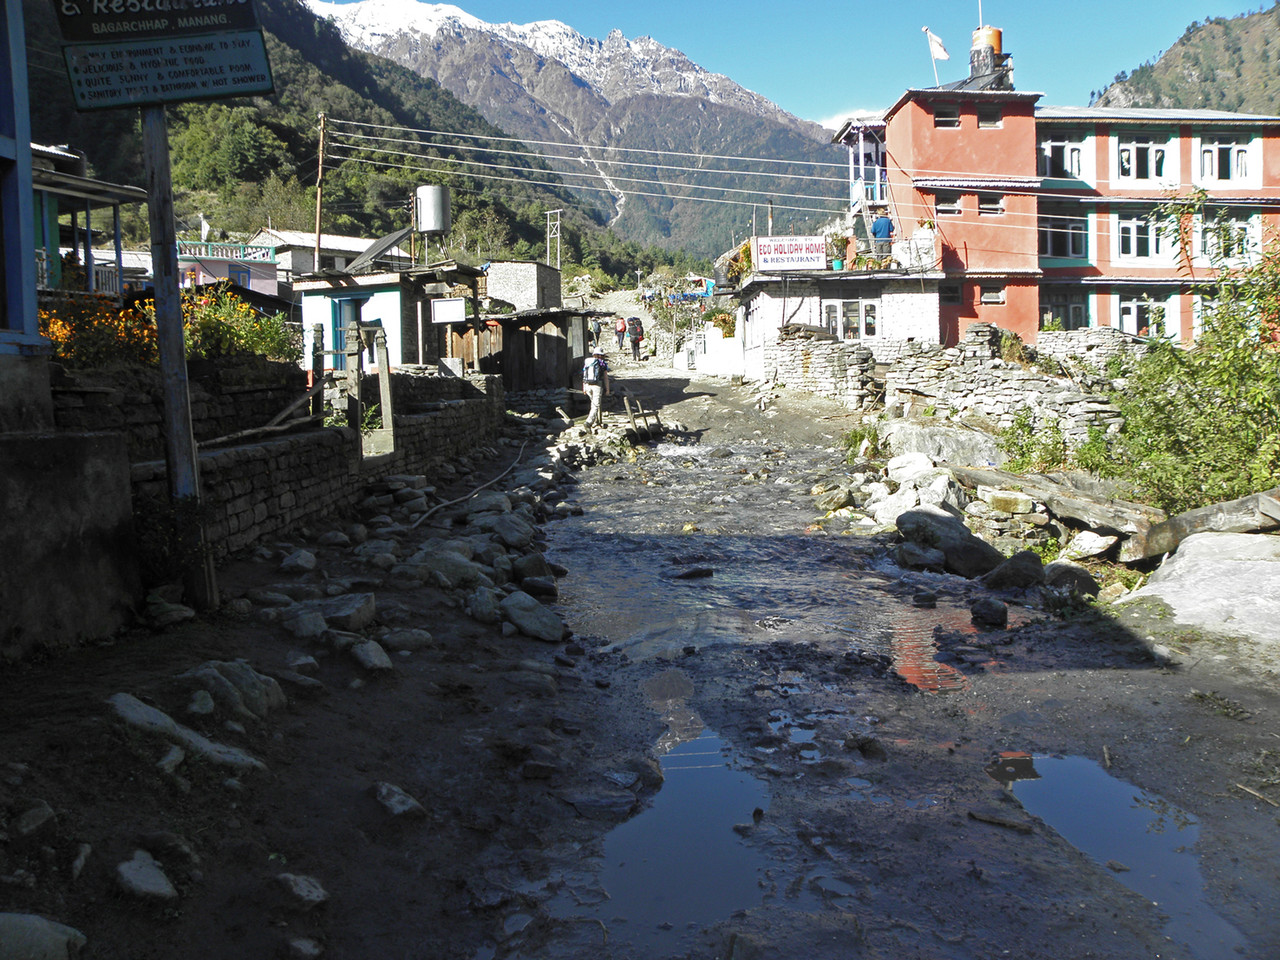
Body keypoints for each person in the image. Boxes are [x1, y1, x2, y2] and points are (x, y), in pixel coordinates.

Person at [582, 347, 610, 428]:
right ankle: (588, 422)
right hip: (597, 386)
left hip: (587, 385)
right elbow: (605, 377)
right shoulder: (602, 363)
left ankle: (597, 421)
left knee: (593, 404)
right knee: (596, 405)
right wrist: (607, 390)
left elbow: (584, 375)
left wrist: (584, 387)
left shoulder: (588, 362)